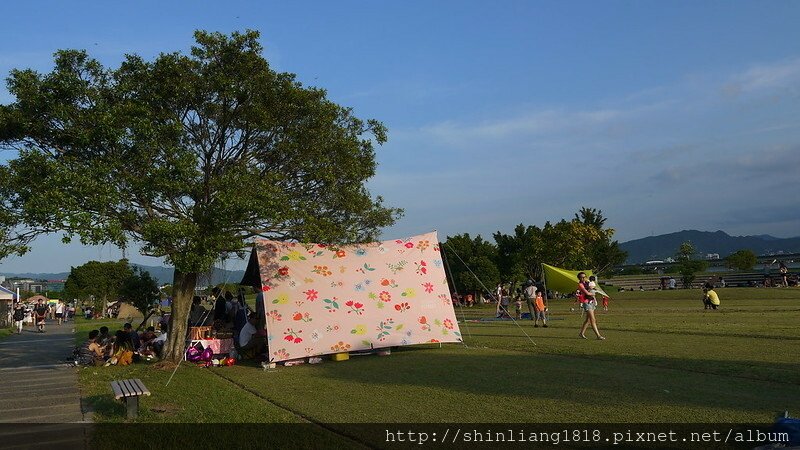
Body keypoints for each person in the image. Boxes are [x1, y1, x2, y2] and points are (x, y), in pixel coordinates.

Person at [577, 272, 604, 340]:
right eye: (581, 277)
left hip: (592, 302)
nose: (583, 278)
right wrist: (593, 293)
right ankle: (598, 335)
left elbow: (592, 287)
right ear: (579, 278)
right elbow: (587, 293)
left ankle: (581, 333)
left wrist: (593, 288)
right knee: (593, 319)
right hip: (586, 303)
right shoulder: (580, 284)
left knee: (588, 320)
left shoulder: (587, 282)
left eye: (584, 277)